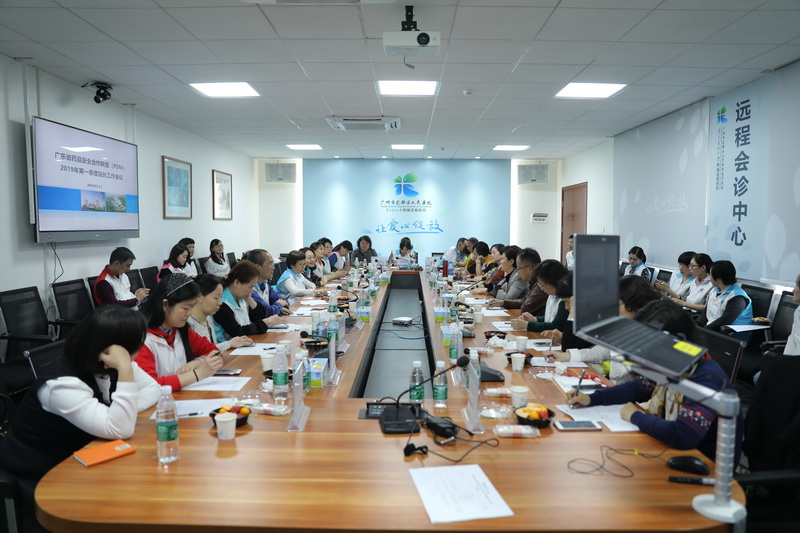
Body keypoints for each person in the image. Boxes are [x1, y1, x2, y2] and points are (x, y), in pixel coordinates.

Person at [0, 306, 161, 532]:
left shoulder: (106, 364)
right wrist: (124, 369)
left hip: (83, 462)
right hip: (41, 478)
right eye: (135, 346)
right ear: (112, 350)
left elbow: (154, 389)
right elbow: (120, 428)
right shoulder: (62, 385)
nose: (137, 352)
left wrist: (118, 410)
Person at [566, 300, 744, 463]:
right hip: (672, 453)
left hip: (703, 466)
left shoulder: (706, 378)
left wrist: (636, 416)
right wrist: (591, 398)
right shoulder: (676, 365)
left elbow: (684, 435)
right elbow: (637, 388)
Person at [544, 275, 662, 383]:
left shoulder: (650, 331)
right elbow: (601, 351)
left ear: (633, 303)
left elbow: (616, 374)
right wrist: (566, 356)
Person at [136, 274, 224, 391]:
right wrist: (197, 374)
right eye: (185, 308)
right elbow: (150, 386)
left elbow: (214, 352)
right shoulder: (142, 339)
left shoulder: (179, 330)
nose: (190, 313)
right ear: (165, 304)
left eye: (192, 307)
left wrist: (197, 362)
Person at [214, 260, 286, 340]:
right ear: (237, 283)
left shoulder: (241, 297)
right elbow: (237, 332)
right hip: (229, 346)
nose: (251, 291)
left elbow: (261, 316)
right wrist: (266, 322)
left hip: (246, 342)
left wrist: (250, 299)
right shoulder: (222, 303)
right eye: (250, 287)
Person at [188, 274, 254, 353]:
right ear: (199, 297)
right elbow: (201, 354)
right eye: (216, 298)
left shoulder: (208, 319)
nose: (220, 303)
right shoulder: (188, 323)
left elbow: (212, 349)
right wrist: (228, 344)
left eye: (220, 298)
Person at [510, 259, 569, 333]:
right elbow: (550, 318)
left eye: (542, 285)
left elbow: (556, 326)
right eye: (539, 285)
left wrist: (527, 325)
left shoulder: (565, 300)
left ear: (553, 281)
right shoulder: (552, 296)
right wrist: (535, 319)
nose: (541, 288)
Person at [696, 260, 753, 336]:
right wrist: (696, 326)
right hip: (714, 329)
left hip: (732, 333)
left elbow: (725, 320)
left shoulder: (737, 297)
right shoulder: (714, 290)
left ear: (718, 279)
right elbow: (706, 312)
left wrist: (702, 331)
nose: (709, 277)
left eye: (710, 275)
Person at [487, 247, 547, 316]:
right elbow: (523, 301)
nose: (518, 272)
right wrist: (503, 302)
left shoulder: (541, 285)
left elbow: (525, 307)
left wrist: (499, 291)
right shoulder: (533, 283)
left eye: (519, 268)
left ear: (530, 268)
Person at [243, 248, 289, 317]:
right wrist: (278, 305)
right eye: (270, 264)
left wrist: (275, 308)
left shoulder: (265, 284)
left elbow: (285, 302)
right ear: (257, 267)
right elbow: (266, 312)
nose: (273, 268)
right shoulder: (250, 289)